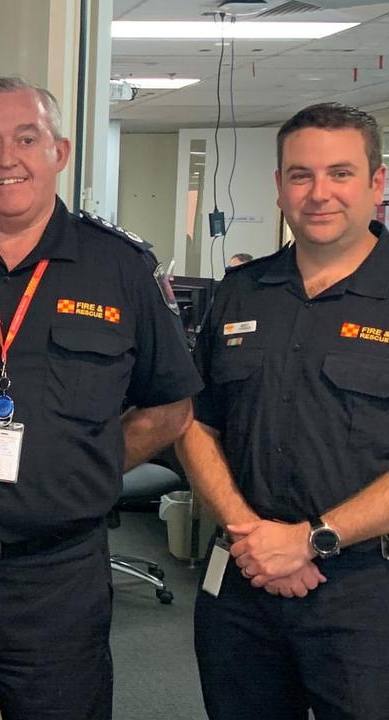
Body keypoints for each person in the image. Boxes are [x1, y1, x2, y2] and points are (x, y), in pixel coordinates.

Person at [0, 76, 202, 720]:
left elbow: (170, 407)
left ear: (61, 151)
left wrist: (87, 462)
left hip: (54, 575)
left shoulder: (121, 268)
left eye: (27, 138)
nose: (7, 158)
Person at [177, 102, 389, 720]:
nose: (319, 193)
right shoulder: (240, 291)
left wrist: (312, 540)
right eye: (300, 175)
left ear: (377, 182)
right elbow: (197, 423)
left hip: (363, 590)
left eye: (340, 173)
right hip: (242, 582)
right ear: (279, 188)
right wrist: (249, 534)